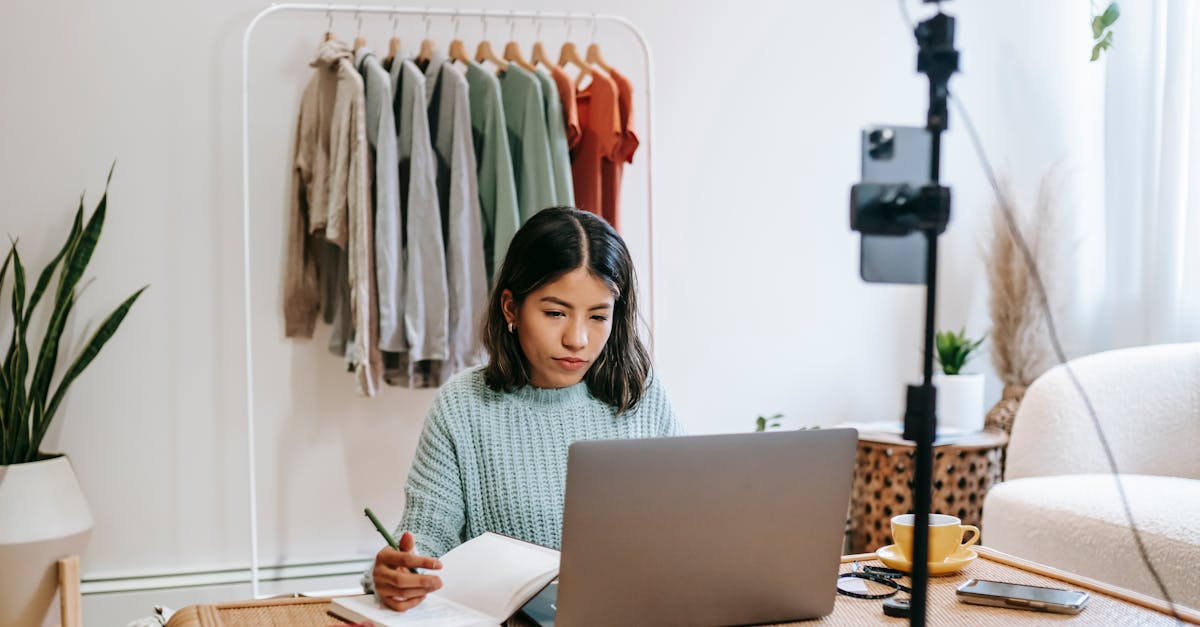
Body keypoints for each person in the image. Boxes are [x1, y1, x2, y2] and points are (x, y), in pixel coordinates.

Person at [365, 207, 682, 611]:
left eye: (599, 316)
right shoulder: (462, 406)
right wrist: (397, 575)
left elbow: (686, 529)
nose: (578, 339)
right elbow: (424, 542)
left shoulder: (640, 393)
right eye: (555, 313)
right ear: (511, 308)